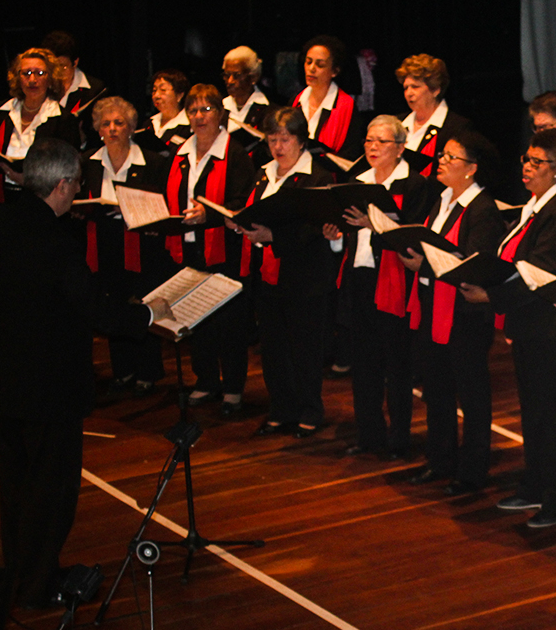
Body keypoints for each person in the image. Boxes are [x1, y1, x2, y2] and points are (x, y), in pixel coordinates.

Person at [0, 138, 169, 608]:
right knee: (51, 492)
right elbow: (99, 312)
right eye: (76, 183)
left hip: (0, 374)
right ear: (60, 185)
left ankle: (21, 570)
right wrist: (150, 315)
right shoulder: (57, 244)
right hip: (46, 385)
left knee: (16, 481)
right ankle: (39, 586)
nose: (78, 191)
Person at [462, 129, 556, 528]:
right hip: (529, 325)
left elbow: (541, 273)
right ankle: (535, 485)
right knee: (533, 413)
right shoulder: (536, 205)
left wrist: (493, 297)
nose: (528, 168)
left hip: (548, 328)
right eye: (527, 160)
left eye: (538, 163)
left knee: (548, 416)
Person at [400, 132, 505, 493]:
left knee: (472, 394)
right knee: (437, 389)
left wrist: (423, 263)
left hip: (465, 314)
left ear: (472, 169)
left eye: (451, 158)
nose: (441, 161)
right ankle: (440, 459)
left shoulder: (483, 210)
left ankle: (472, 469)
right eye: (442, 155)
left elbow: (473, 264)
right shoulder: (442, 199)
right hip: (433, 305)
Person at [225, 107, 337, 436]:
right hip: (268, 274)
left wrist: (273, 236)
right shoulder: (263, 174)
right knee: (273, 346)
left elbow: (315, 227)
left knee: (304, 346)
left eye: (285, 139)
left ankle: (309, 410)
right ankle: (281, 408)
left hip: (305, 276)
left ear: (301, 141)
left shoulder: (317, 177)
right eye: (272, 139)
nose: (278, 146)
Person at [334, 115, 434, 459]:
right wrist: (335, 233)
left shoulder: (416, 186)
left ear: (401, 147)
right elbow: (346, 231)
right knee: (364, 363)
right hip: (360, 279)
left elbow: (413, 236)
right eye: (368, 141)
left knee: (397, 364)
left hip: (395, 281)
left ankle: (399, 438)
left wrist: (374, 224)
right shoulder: (356, 181)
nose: (373, 148)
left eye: (381, 142)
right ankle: (369, 434)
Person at [165, 84, 257, 416]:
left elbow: (243, 203)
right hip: (188, 248)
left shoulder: (234, 153)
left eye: (206, 110)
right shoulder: (181, 152)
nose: (199, 117)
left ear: (220, 114)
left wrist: (210, 214)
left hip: (225, 249)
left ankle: (233, 388)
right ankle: (205, 380)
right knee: (197, 318)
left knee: (229, 322)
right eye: (193, 110)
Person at [80, 97, 167, 395]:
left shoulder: (153, 162)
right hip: (103, 242)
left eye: (119, 123)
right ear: (97, 129)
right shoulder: (89, 162)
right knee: (111, 304)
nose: (112, 129)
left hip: (142, 245)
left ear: (131, 127)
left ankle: (148, 371)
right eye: (106, 124)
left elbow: (163, 204)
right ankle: (123, 370)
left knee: (141, 303)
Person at [0, 48, 82, 204]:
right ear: (18, 78)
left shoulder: (62, 119)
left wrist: (28, 181)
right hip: (4, 197)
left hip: (43, 201)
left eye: (40, 73)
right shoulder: (3, 111)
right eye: (26, 73)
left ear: (51, 79)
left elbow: (68, 169)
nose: (32, 80)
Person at [398, 53, 473, 181]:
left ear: (435, 90)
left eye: (415, 87)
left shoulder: (456, 127)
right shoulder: (397, 123)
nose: (409, 93)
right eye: (406, 88)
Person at [294, 35, 360, 163]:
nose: (311, 69)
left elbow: (350, 156)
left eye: (320, 65)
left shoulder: (346, 106)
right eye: (308, 62)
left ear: (334, 71)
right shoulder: (296, 101)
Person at [40, 30, 104, 117]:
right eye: (53, 67)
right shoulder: (39, 85)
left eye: (63, 66)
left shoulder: (94, 90)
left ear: (75, 62)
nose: (57, 72)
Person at [221, 45, 270, 154]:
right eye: (226, 75)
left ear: (254, 77)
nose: (230, 81)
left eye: (237, 75)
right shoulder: (220, 108)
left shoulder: (269, 110)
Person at [135, 69, 191, 157]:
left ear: (179, 95)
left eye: (163, 90)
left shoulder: (189, 126)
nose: (156, 95)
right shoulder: (149, 124)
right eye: (154, 90)